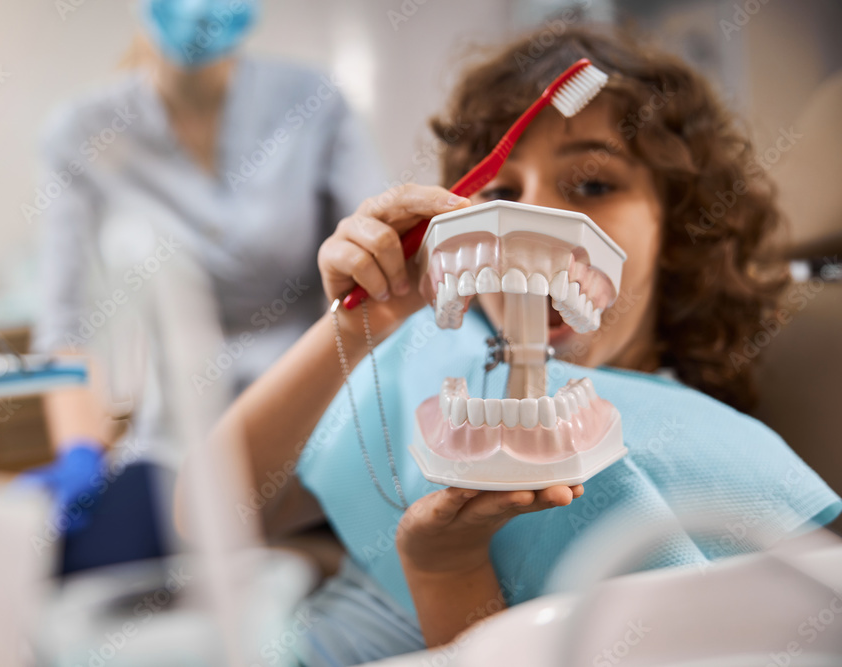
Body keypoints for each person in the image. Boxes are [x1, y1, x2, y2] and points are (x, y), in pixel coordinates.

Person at [189, 25, 842, 664]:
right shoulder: (423, 360)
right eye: (501, 192)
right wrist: (358, 327)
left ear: (678, 231)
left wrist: (445, 567)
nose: (536, 217)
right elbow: (204, 520)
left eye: (592, 184)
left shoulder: (710, 455)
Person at [26, 0, 385, 540]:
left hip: (320, 423)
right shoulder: (83, 132)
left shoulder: (315, 102)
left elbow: (379, 259)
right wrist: (79, 451)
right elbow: (65, 322)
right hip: (179, 440)